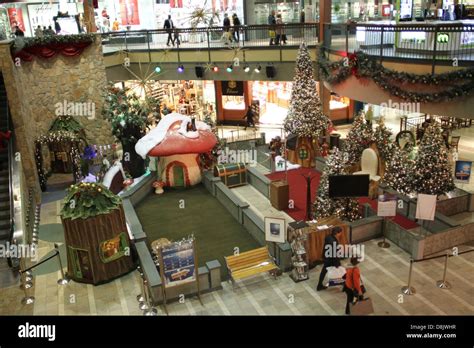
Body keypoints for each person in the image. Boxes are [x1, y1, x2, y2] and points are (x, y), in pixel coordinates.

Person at [317, 226, 343, 291]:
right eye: (340, 233)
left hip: (326, 257)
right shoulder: (334, 242)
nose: (341, 234)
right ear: (337, 233)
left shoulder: (328, 237)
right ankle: (343, 285)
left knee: (323, 271)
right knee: (340, 272)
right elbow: (334, 254)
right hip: (331, 259)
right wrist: (337, 263)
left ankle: (319, 285)